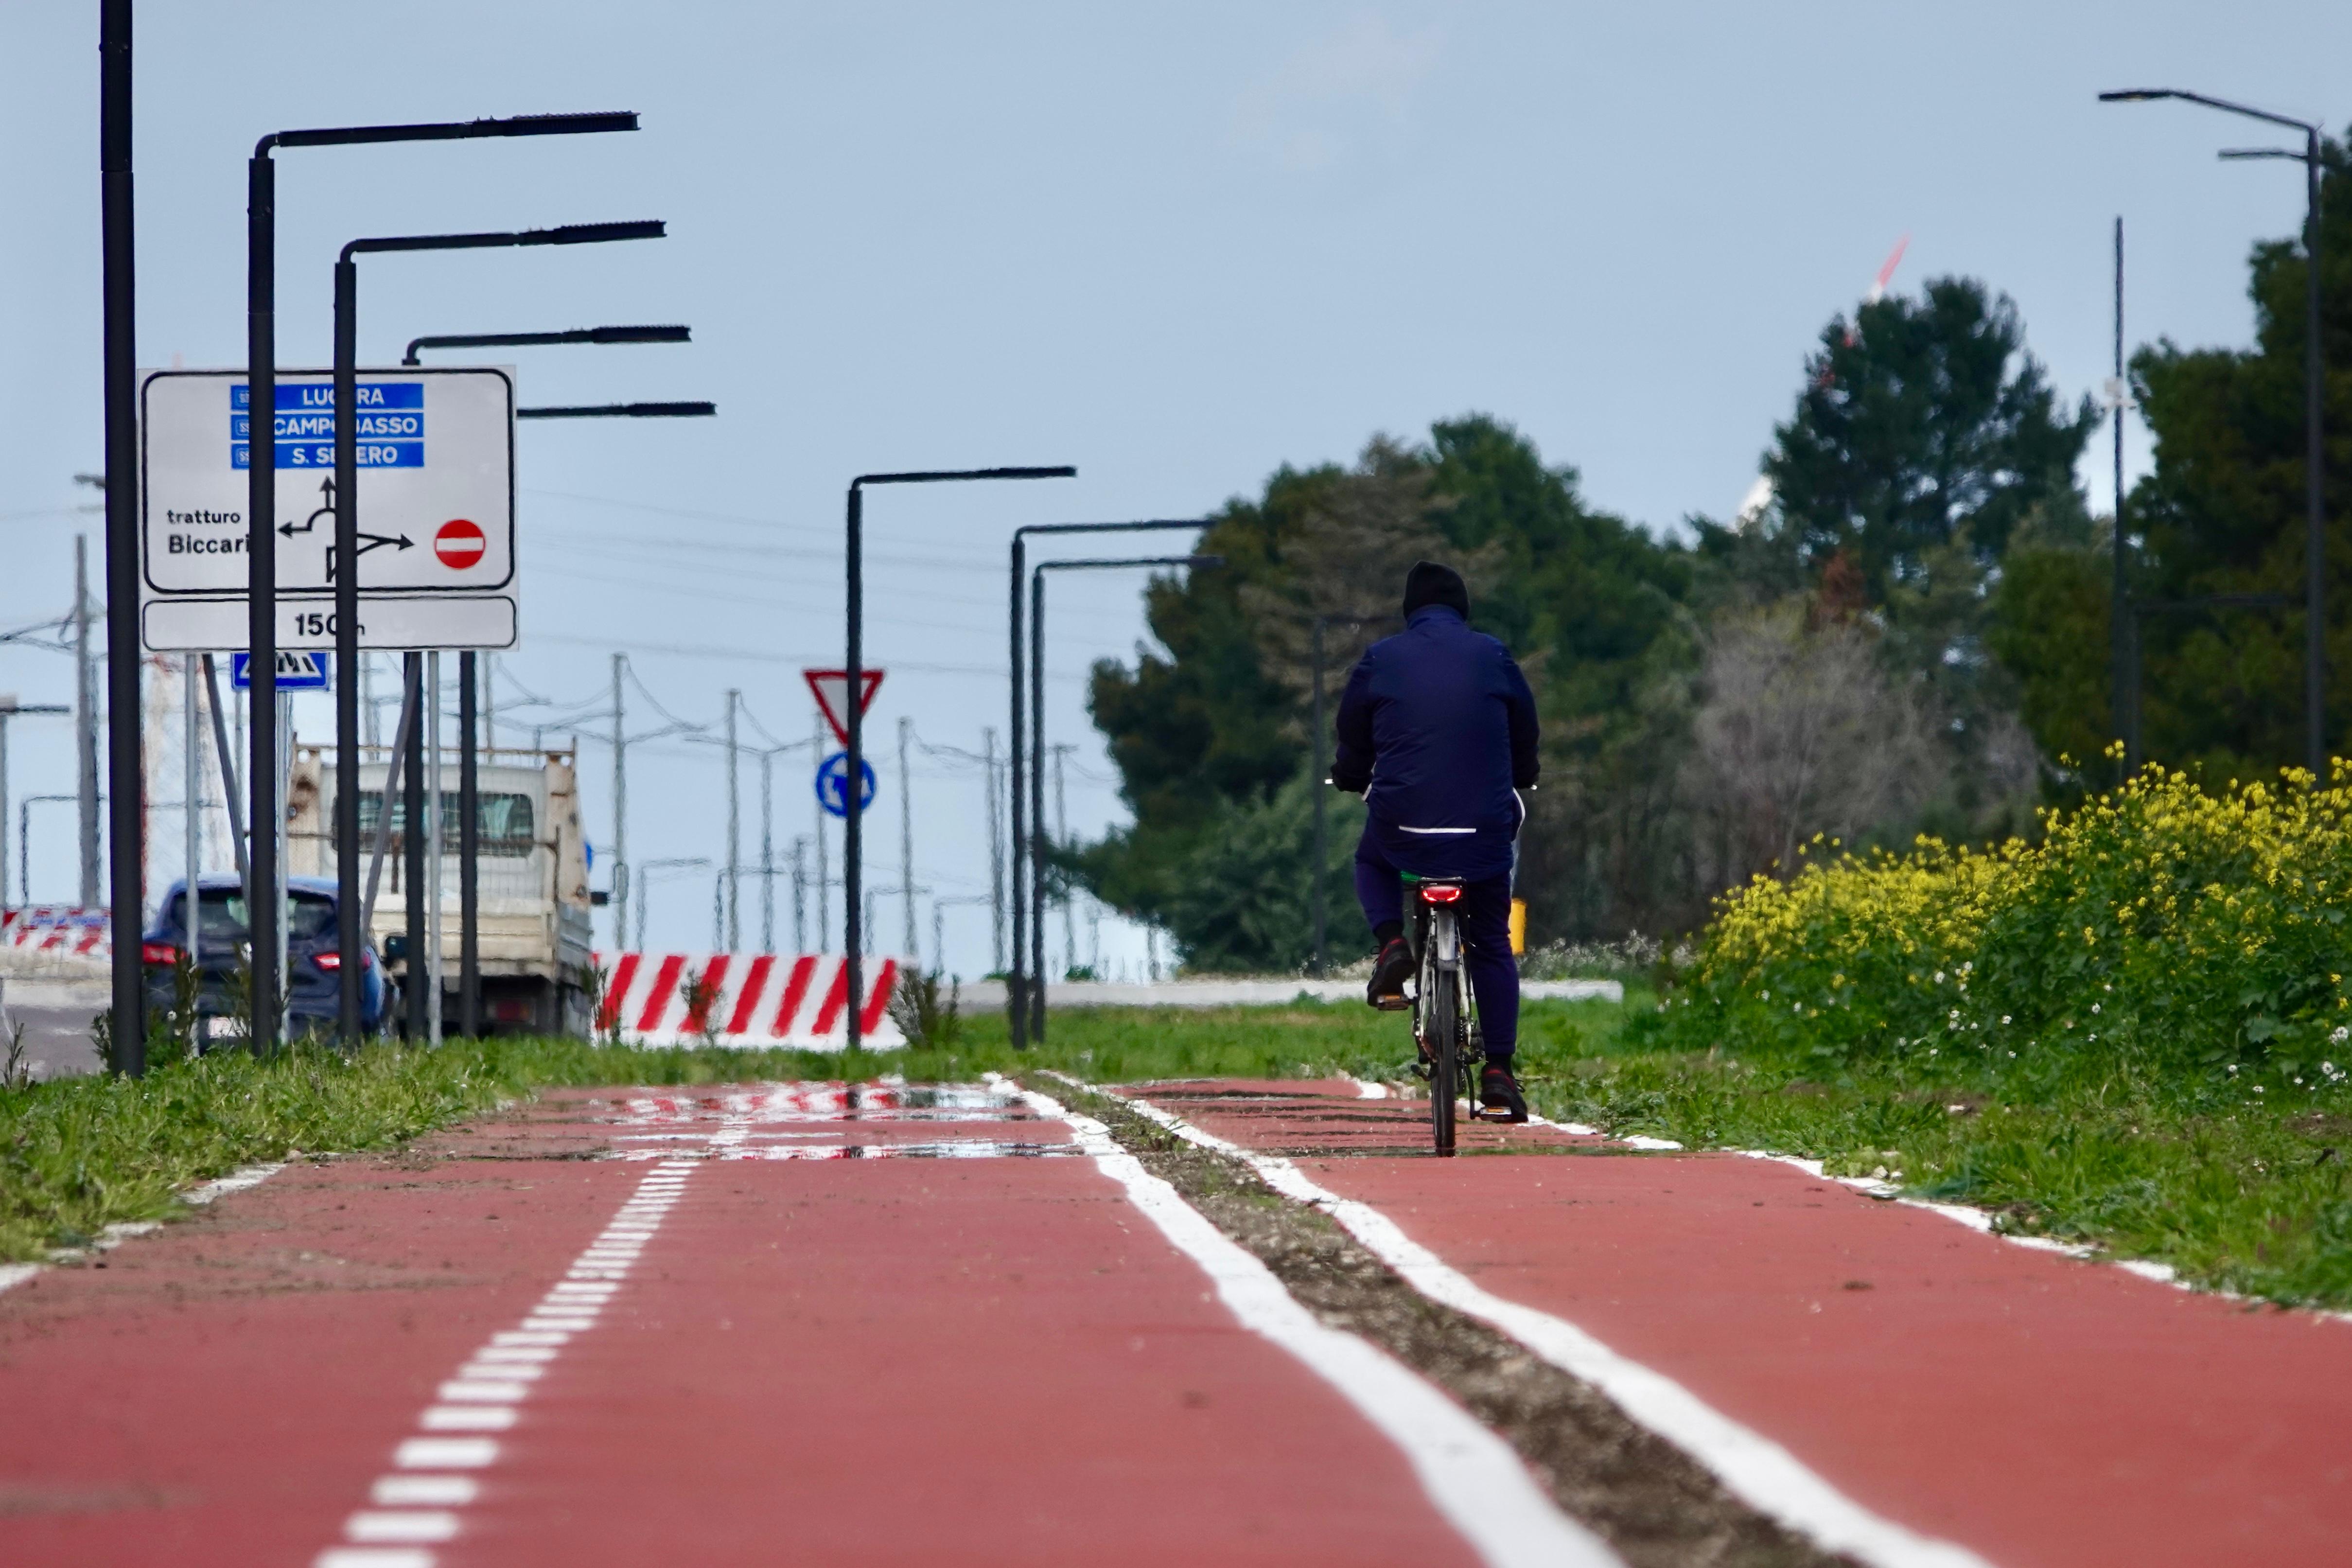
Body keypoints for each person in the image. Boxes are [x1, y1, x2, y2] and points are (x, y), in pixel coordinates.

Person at [1330, 561, 1538, 1121]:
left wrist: (1350, 773)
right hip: (1482, 831)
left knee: (1371, 860)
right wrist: (1523, 772)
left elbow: (1350, 732)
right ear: (1462, 610)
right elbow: (1524, 727)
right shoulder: (1493, 655)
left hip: (1404, 828)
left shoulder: (1381, 658)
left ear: (1410, 611)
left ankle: (1392, 944)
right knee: (1491, 941)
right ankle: (1497, 1071)